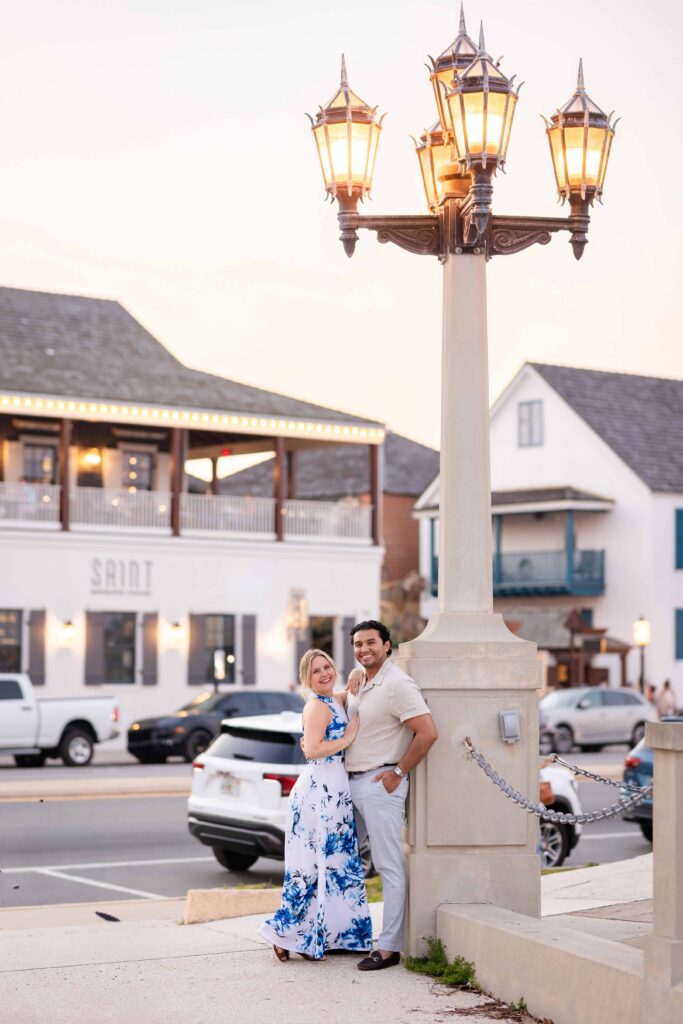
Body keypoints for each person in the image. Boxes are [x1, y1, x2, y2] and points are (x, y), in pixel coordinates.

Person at [258, 649, 372, 962]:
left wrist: (355, 676)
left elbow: (351, 688)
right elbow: (313, 750)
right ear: (306, 678)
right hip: (318, 791)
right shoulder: (316, 706)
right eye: (316, 671)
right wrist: (347, 739)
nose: (323, 674)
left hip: (335, 789)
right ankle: (284, 935)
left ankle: (318, 936)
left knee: (334, 866)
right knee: (307, 867)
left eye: (327, 667)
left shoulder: (332, 699)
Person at [345, 619, 438, 972]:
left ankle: (389, 948)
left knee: (388, 866)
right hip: (352, 783)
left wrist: (399, 773)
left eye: (371, 642)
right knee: (340, 860)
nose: (364, 649)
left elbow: (428, 733)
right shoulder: (365, 679)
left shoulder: (399, 684)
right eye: (358, 644)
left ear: (387, 646)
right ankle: (343, 935)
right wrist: (355, 673)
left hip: (379, 785)